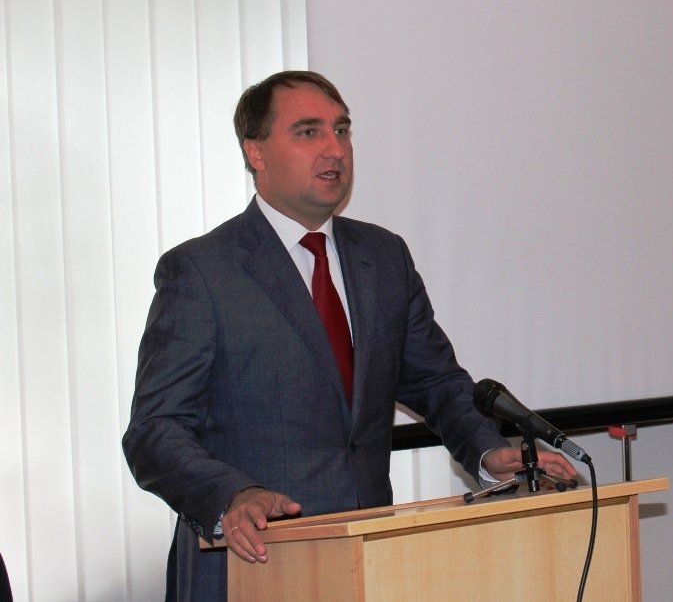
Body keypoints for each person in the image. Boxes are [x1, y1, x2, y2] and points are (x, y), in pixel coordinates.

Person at [122, 70, 577, 601]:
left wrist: (488, 450)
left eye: (341, 130)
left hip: (368, 561)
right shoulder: (202, 271)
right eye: (308, 131)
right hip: (250, 567)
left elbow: (435, 381)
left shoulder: (383, 257)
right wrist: (231, 495)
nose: (334, 148)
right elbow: (154, 430)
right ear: (256, 151)